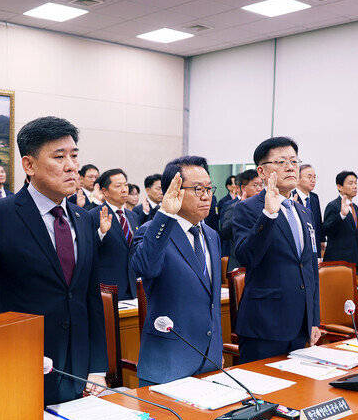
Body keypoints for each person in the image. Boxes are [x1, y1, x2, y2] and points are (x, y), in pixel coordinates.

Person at [0, 116, 108, 406]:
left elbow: (90, 298)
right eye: (59, 157)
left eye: (74, 156)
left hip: (79, 369)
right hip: (26, 361)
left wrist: (98, 367)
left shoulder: (85, 219)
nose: (71, 166)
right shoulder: (2, 214)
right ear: (29, 165)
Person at [131, 156, 222, 385]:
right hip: (169, 364)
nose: (206, 195)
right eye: (198, 189)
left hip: (210, 361)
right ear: (174, 190)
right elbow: (144, 268)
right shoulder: (152, 231)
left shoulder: (211, 235)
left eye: (209, 188)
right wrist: (165, 215)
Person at [231, 137, 320, 362]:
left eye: (293, 161)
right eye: (281, 162)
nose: (290, 167)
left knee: (297, 394)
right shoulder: (247, 209)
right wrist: (269, 215)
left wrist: (313, 319)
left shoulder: (304, 212)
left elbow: (309, 266)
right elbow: (248, 257)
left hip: (300, 325)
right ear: (261, 171)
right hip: (264, 326)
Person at [91, 168, 139, 300]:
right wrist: (101, 233)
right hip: (108, 290)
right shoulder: (93, 216)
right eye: (118, 186)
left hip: (133, 289)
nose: (124, 190)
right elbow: (88, 250)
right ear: (105, 191)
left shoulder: (133, 216)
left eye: (126, 185)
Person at [220, 169, 263, 271]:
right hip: (239, 264)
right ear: (243, 188)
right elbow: (225, 232)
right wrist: (240, 211)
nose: (259, 189)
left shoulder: (264, 207)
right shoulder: (234, 207)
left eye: (261, 185)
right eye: (255, 185)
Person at [322, 170, 358, 272]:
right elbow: (326, 230)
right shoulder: (333, 206)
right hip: (337, 261)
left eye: (356, 183)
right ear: (339, 187)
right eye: (351, 183)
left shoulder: (355, 207)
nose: (355, 186)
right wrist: (341, 215)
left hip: (354, 261)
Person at [292, 164, 323, 258]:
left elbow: (318, 222)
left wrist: (321, 242)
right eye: (309, 177)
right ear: (297, 179)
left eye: (314, 177)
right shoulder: (291, 197)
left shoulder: (314, 198)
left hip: (314, 246)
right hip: (299, 247)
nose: (313, 180)